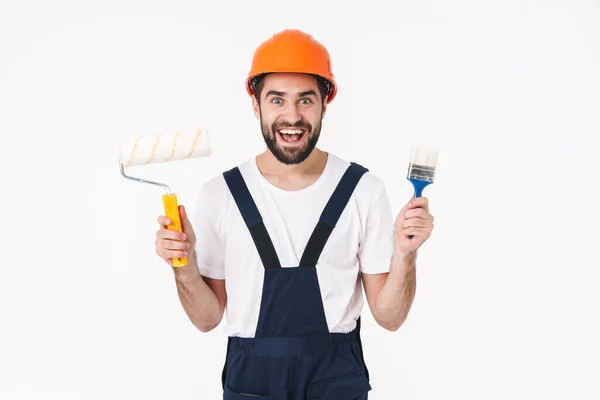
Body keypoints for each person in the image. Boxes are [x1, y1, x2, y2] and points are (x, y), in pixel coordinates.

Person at [154, 29, 434, 399]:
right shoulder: (220, 195)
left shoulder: (363, 190)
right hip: (251, 383)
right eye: (276, 100)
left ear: (324, 104)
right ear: (256, 106)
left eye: (305, 100)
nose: (292, 116)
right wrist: (183, 265)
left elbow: (391, 317)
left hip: (335, 380)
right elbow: (206, 320)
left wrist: (405, 253)